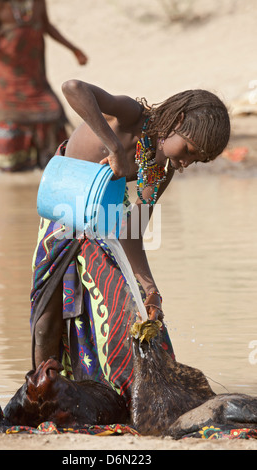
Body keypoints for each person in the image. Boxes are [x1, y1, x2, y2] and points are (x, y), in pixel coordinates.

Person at [30, 79, 230, 405]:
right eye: (190, 150)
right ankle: (42, 398)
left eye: (198, 160)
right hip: (63, 211)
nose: (187, 162)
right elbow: (74, 88)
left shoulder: (159, 171)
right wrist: (114, 148)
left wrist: (150, 287)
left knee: (130, 306)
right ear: (177, 123)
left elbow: (133, 230)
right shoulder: (131, 116)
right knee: (48, 317)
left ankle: (129, 396)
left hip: (104, 226)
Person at [0, 0, 88, 172]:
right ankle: (15, 169)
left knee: (52, 110)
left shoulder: (38, 3)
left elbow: (47, 27)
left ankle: (53, 165)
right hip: (4, 75)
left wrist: (74, 49)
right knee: (12, 118)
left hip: (32, 74)